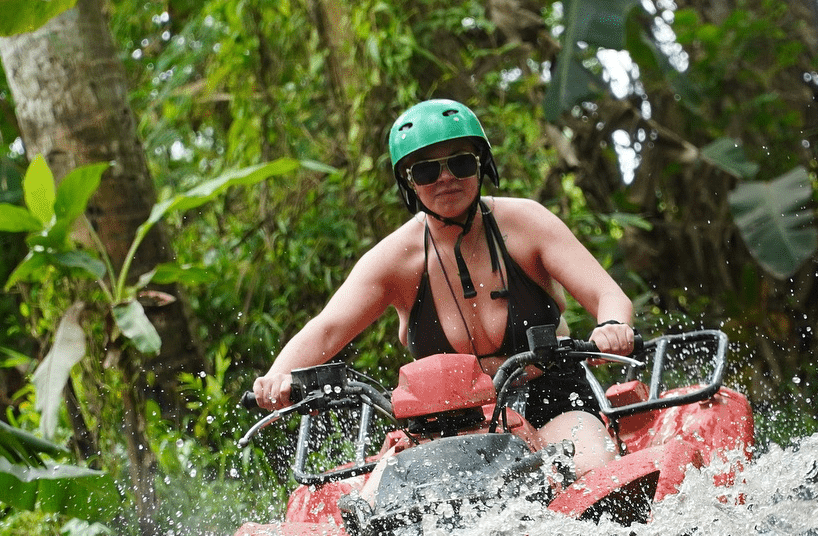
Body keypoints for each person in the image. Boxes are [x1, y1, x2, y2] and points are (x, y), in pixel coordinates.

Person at [252, 99, 635, 472]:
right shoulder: (395, 259)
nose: (446, 177)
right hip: (443, 422)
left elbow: (608, 295)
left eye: (461, 162)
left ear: (481, 165)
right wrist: (277, 378)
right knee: (374, 509)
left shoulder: (527, 223)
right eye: (426, 171)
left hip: (552, 398)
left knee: (590, 468)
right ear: (409, 183)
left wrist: (612, 326)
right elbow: (327, 328)